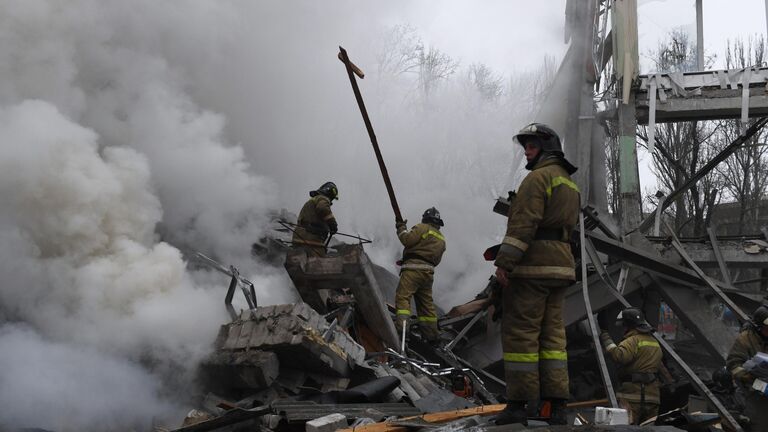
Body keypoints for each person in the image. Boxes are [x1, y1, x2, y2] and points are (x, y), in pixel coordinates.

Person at [493, 123, 580, 426]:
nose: (527, 152)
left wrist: (505, 263)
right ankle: (556, 406)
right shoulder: (568, 182)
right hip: (560, 267)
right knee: (553, 337)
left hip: (532, 269)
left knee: (522, 335)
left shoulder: (537, 179)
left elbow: (523, 226)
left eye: (531, 146)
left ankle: (518, 404)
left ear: (546, 148)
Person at [600, 308, 663, 424]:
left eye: (623, 326)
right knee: (650, 429)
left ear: (628, 325)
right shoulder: (654, 342)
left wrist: (605, 336)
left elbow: (619, 356)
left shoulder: (632, 341)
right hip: (652, 397)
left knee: (627, 428)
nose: (622, 329)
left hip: (632, 397)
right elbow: (659, 366)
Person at [394, 207, 446, 343]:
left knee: (403, 297)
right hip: (428, 275)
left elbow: (407, 239)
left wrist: (401, 228)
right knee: (426, 305)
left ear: (425, 218)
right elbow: (436, 260)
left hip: (412, 271)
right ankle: (432, 336)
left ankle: (403, 331)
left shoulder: (422, 227)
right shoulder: (441, 239)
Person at [726, 305, 768, 428]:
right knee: (759, 424)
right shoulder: (745, 340)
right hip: (751, 391)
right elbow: (733, 365)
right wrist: (755, 381)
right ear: (759, 327)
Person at [291, 182, 339, 257]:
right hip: (311, 239)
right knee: (320, 264)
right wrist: (332, 224)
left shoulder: (314, 199)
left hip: (299, 237)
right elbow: (322, 208)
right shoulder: (322, 198)